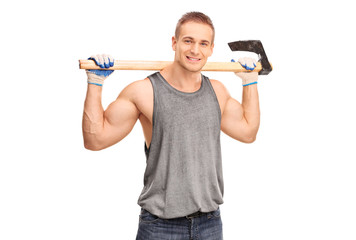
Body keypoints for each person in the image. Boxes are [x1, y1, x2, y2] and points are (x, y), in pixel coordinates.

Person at [82, 11, 260, 240]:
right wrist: (95, 82)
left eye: (203, 43)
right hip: (160, 226)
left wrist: (250, 81)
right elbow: (95, 140)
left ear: (211, 49)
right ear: (174, 43)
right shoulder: (144, 91)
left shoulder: (217, 91)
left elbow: (248, 132)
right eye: (188, 41)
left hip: (210, 223)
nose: (195, 50)